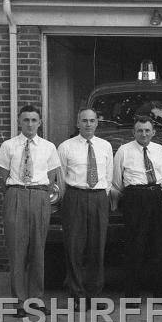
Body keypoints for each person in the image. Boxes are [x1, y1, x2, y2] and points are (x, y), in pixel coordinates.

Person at [0, 105, 62, 317]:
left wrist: (38, 193)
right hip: (16, 194)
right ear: (19, 121)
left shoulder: (48, 147)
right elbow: (2, 175)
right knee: (17, 251)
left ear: (40, 122)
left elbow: (52, 176)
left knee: (37, 249)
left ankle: (36, 299)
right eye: (26, 120)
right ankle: (19, 302)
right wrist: (18, 191)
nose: (30, 124)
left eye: (34, 120)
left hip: (39, 196)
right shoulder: (8, 146)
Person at [56, 108, 114, 310]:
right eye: (84, 121)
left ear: (97, 122)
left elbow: (109, 175)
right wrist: (70, 199)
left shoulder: (105, 146)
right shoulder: (66, 147)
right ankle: (77, 295)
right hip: (75, 196)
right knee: (74, 247)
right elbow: (61, 177)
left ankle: (94, 295)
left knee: (97, 247)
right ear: (77, 123)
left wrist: (101, 196)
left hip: (99, 197)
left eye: (92, 120)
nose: (88, 124)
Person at [111, 116, 162, 306]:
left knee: (158, 246)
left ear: (153, 132)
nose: (143, 134)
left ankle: (161, 293)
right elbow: (116, 181)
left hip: (155, 195)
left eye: (147, 130)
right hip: (135, 197)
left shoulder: (159, 150)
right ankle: (132, 296)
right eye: (139, 131)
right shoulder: (124, 150)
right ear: (133, 132)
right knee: (135, 246)